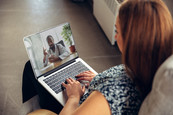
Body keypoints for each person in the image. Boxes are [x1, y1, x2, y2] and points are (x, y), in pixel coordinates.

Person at [26, 0, 173, 114]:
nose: (115, 36)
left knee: (30, 69)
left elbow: (109, 96)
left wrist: (73, 97)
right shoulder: (150, 67)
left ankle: (34, 110)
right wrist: (99, 78)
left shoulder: (109, 95)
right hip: (90, 89)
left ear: (133, 40)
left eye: (117, 31)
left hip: (75, 103)